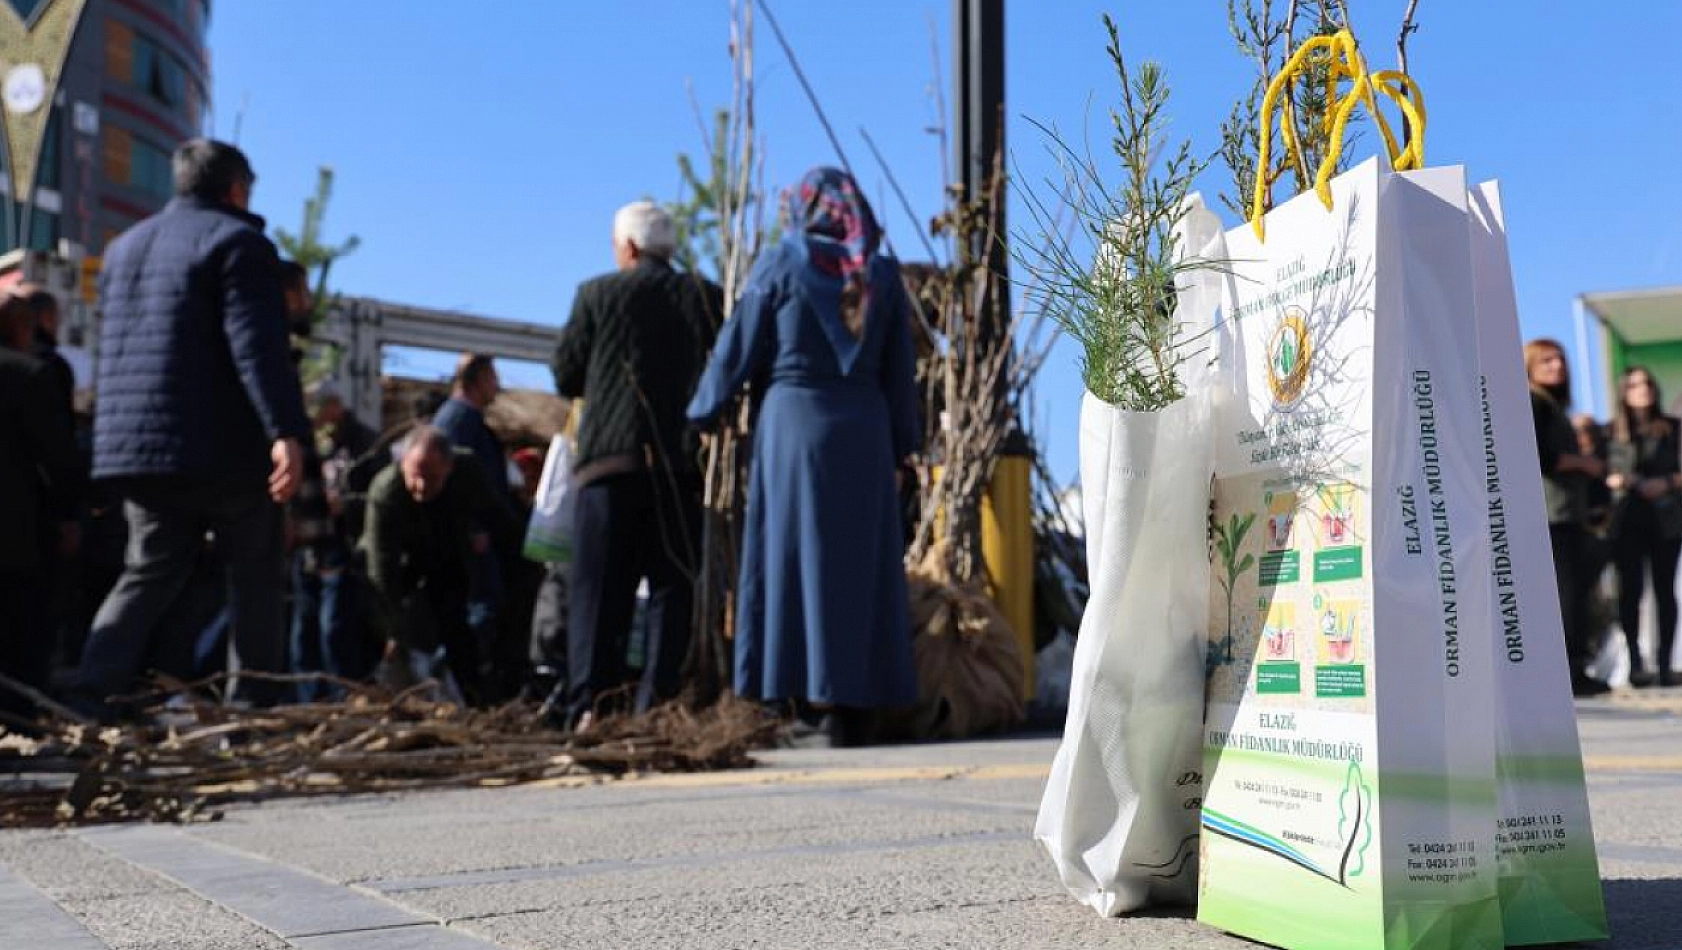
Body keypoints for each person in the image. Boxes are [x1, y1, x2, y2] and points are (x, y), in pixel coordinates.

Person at [70, 138, 310, 719]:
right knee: (254, 577)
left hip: (137, 450)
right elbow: (256, 345)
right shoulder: (240, 243)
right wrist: (285, 430)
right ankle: (249, 714)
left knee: (148, 571)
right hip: (220, 446)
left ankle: (89, 698)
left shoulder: (124, 248)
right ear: (235, 189)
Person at [687, 167, 921, 746]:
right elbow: (900, 374)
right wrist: (904, 449)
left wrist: (701, 409)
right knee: (856, 570)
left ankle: (798, 703)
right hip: (865, 433)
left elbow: (737, 345)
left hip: (793, 432)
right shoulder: (881, 273)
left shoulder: (782, 262)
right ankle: (855, 708)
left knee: (790, 564)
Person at [551, 200, 720, 726]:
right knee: (672, 587)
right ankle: (658, 705)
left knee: (600, 591)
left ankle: (591, 707)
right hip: (678, 466)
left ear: (627, 247)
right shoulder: (703, 296)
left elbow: (565, 373)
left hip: (610, 468)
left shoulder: (597, 293)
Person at [360, 427, 519, 703]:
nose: (421, 487)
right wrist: (392, 632)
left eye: (432, 478)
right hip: (401, 560)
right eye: (415, 477)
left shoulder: (467, 471)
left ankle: (476, 698)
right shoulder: (386, 491)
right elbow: (381, 570)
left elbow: (500, 520)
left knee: (458, 631)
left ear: (449, 468)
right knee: (385, 633)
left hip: (448, 552)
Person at [0, 293, 84, 720]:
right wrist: (69, 516)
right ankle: (20, 723)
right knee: (24, 633)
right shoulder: (30, 375)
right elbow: (59, 457)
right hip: (18, 532)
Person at [1526, 339, 1612, 697]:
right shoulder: (1533, 401)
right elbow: (1540, 456)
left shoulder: (1553, 406)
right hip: (1551, 514)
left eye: (1559, 359)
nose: (1556, 365)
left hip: (1567, 514)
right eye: (1546, 360)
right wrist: (1585, 463)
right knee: (1566, 595)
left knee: (1576, 594)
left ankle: (1575, 668)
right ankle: (1568, 674)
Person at [1605, 366, 1682, 687]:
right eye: (1635, 384)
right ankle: (1636, 664)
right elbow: (1602, 471)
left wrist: (1665, 482)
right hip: (1626, 521)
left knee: (1665, 591)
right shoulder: (1610, 432)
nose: (1643, 389)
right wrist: (1621, 479)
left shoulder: (1674, 428)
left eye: (1648, 383)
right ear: (1624, 391)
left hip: (1666, 520)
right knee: (1631, 592)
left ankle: (1665, 665)